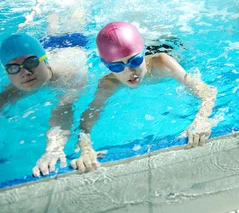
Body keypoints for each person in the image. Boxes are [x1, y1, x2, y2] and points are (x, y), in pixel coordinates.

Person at [70, 22, 217, 173]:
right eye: (117, 67)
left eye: (134, 61)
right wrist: (86, 149)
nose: (129, 72)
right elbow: (85, 123)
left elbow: (208, 91)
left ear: (143, 52)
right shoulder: (109, 83)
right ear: (106, 65)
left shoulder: (163, 63)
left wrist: (201, 120)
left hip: (169, 46)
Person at [0, 32, 87, 177]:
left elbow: (63, 110)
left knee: (74, 21)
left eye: (31, 63)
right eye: (13, 68)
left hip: (73, 43)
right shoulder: (12, 90)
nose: (25, 73)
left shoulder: (68, 76)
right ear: (6, 72)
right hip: (43, 46)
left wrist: (53, 148)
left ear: (44, 60)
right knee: (51, 26)